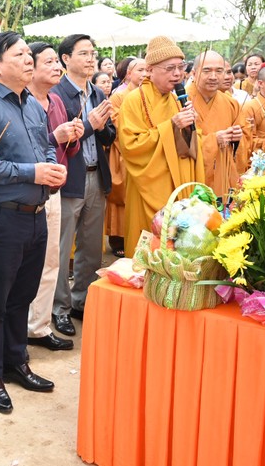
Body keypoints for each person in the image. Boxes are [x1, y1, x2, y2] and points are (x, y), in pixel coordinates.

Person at [0, 31, 67, 414]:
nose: (28, 59)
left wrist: (51, 169)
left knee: (22, 296)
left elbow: (45, 146)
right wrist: (31, 172)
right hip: (1, 217)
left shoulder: (32, 104)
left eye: (28, 53)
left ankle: (16, 361)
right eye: (19, 54)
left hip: (35, 215)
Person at [50, 34, 114, 336]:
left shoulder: (97, 93)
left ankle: (82, 301)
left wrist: (103, 126)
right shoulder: (56, 94)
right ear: (66, 59)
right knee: (62, 248)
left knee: (91, 247)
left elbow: (109, 136)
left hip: (95, 174)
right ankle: (59, 308)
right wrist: (91, 124)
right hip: (69, 179)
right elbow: (60, 138)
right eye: (84, 53)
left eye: (93, 53)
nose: (91, 59)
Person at [117, 36, 203, 255]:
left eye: (181, 67)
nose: (177, 74)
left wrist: (189, 129)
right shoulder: (134, 100)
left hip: (176, 183)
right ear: (150, 70)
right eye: (170, 68)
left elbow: (187, 147)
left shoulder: (176, 99)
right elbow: (130, 145)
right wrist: (171, 126)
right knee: (147, 246)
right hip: (148, 183)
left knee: (174, 244)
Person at [25, 41, 82, 351]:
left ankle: (39, 326)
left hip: (55, 191)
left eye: (55, 62)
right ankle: (20, 326)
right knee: (25, 265)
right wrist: (54, 136)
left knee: (50, 261)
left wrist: (73, 135)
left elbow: (67, 151)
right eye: (47, 61)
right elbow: (24, 149)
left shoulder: (56, 101)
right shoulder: (21, 101)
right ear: (29, 67)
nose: (56, 67)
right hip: (28, 192)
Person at [187, 51, 244, 199]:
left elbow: (242, 149)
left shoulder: (231, 104)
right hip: (192, 177)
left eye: (219, 71)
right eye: (206, 71)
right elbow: (176, 144)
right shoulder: (181, 101)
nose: (213, 76)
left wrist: (236, 139)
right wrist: (214, 140)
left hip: (222, 177)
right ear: (194, 73)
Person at [107, 58, 146, 257]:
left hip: (145, 152)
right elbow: (116, 124)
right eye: (140, 70)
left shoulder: (149, 96)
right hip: (122, 152)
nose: (145, 74)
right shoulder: (118, 96)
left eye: (147, 70)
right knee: (121, 198)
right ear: (129, 74)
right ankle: (118, 239)